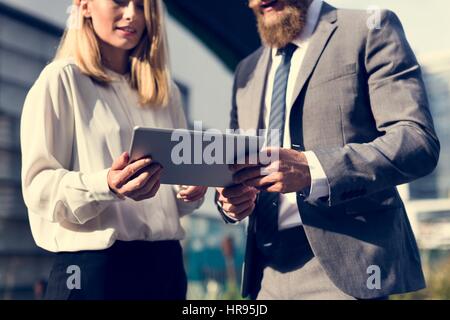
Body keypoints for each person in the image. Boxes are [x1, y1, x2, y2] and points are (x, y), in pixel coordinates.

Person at [216, 0, 440, 299]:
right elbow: (234, 166)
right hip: (264, 277)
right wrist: (229, 203)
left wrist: (313, 169)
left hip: (347, 268)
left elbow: (416, 140)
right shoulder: (247, 70)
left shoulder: (370, 28)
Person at [20, 0, 207, 300]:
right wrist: (105, 184)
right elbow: (37, 187)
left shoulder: (165, 92)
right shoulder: (61, 80)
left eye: (143, 5)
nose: (133, 13)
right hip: (93, 271)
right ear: (84, 6)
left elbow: (174, 199)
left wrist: (189, 191)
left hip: (166, 265)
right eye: (120, 1)